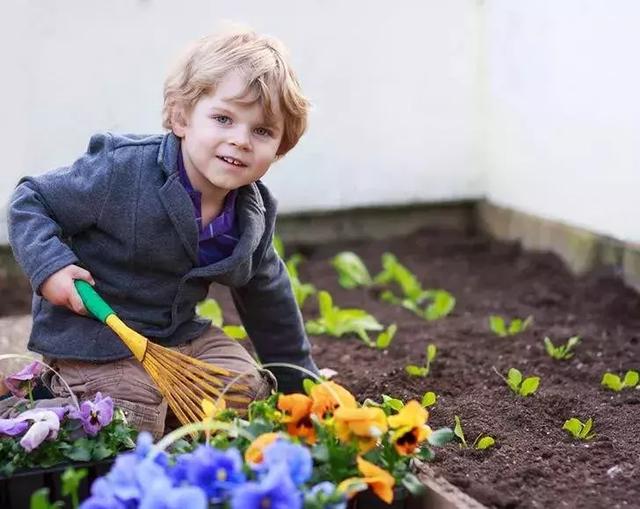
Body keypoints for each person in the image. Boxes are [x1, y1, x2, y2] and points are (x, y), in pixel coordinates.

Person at [6, 27, 319, 438]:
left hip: (178, 339)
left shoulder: (250, 214)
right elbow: (31, 199)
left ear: (280, 146)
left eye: (262, 131)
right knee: (129, 414)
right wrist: (50, 267)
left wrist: (302, 384)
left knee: (246, 395)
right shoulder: (123, 170)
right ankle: (56, 392)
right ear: (180, 116)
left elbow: (267, 294)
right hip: (96, 337)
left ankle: (162, 404)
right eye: (223, 118)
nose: (240, 140)